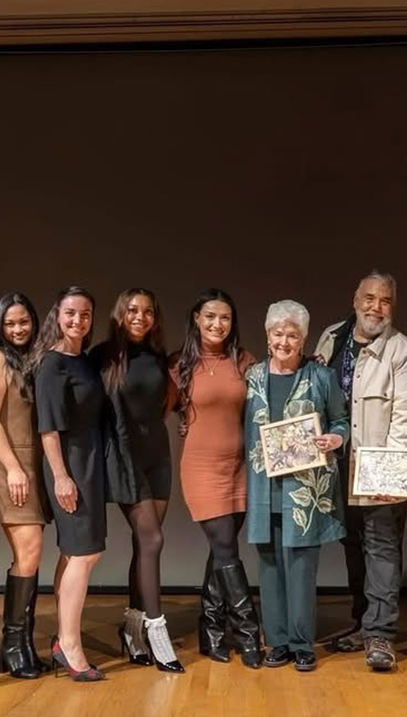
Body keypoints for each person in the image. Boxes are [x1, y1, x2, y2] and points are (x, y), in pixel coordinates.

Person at [314, 271, 407, 672]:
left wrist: (390, 476)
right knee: (352, 543)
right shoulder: (331, 338)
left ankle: (381, 635)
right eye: (370, 298)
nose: (376, 307)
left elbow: (406, 418)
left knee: (381, 545)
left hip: (378, 465)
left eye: (385, 300)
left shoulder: (403, 352)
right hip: (336, 464)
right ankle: (362, 622)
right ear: (355, 299)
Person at [245, 300, 350, 672]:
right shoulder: (253, 377)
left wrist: (336, 439)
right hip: (263, 489)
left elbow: (341, 420)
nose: (284, 342)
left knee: (302, 570)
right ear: (267, 336)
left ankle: (302, 644)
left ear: (304, 339)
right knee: (269, 568)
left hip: (304, 492)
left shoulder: (320, 377)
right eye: (278, 334)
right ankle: (277, 642)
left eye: (292, 335)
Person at [169, 289, 263, 669]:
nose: (217, 324)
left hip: (239, 468)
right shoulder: (178, 365)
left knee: (221, 551)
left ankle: (210, 630)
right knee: (225, 547)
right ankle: (248, 634)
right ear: (196, 318)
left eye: (225, 317)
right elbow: (154, 406)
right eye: (210, 316)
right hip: (201, 468)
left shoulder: (244, 361)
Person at [92, 288, 182, 672]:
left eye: (148, 311)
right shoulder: (103, 356)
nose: (140, 317)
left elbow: (168, 404)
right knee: (153, 540)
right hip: (124, 458)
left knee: (143, 545)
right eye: (132, 310)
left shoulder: (159, 358)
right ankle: (157, 632)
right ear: (120, 314)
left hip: (157, 458)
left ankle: (131, 630)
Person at [34, 287, 106, 682]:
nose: (78, 320)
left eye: (85, 314)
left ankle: (64, 639)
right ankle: (70, 644)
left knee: (76, 553)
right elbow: (48, 428)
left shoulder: (84, 361)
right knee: (84, 554)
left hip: (89, 462)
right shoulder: (52, 364)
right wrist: (61, 476)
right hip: (68, 464)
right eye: (70, 313)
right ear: (57, 316)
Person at [0, 292, 51, 680]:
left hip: (33, 464)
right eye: (10, 324)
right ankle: (12, 644)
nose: (18, 329)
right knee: (29, 549)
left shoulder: (34, 360)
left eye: (23, 322)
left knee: (31, 554)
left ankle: (20, 645)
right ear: (0, 326)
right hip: (11, 464)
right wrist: (12, 468)